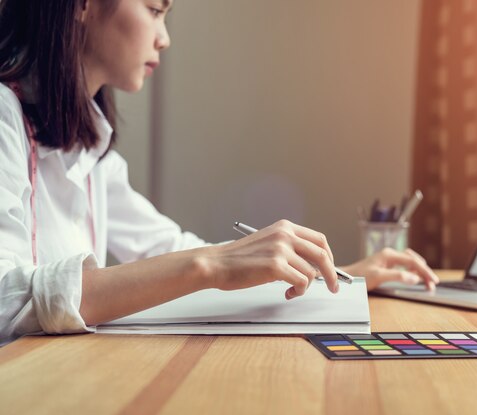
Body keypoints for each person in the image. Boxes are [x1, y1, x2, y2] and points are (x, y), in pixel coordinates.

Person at [0, 0, 438, 346]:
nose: (165, 38)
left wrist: (341, 275)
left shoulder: (94, 154)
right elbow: (6, 300)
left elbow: (169, 250)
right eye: (154, 10)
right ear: (83, 4)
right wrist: (209, 265)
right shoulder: (5, 114)